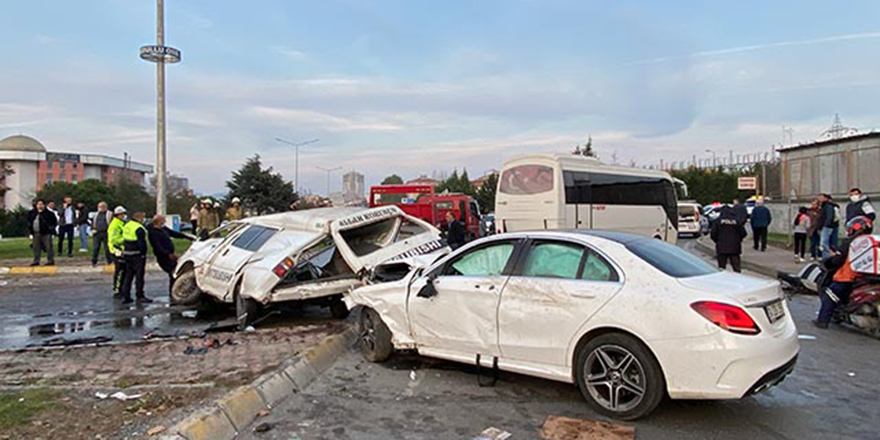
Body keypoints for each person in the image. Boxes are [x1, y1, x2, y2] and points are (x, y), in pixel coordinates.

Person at [814, 216, 873, 329]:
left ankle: (822, 321)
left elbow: (837, 260)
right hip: (866, 278)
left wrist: (829, 262)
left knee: (830, 296)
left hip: (847, 278)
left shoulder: (850, 242)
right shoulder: (872, 242)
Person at [148, 215, 193, 294]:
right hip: (164, 257)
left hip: (169, 254)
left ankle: (174, 291)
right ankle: (174, 292)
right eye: (163, 219)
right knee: (173, 272)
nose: (165, 220)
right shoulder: (153, 232)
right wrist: (168, 254)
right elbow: (157, 247)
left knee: (175, 272)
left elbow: (174, 234)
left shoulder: (163, 229)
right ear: (159, 221)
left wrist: (187, 236)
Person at [120, 211, 149, 304]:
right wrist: (143, 253)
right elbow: (142, 243)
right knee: (139, 276)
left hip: (127, 253)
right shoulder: (139, 228)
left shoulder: (127, 225)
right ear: (139, 218)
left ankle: (126, 296)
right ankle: (140, 295)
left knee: (128, 276)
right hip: (137, 254)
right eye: (143, 217)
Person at [710, 205, 747, 273]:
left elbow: (713, 234)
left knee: (721, 268)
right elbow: (743, 233)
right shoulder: (736, 221)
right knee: (736, 267)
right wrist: (738, 240)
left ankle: (723, 280)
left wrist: (717, 241)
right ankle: (738, 279)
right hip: (735, 247)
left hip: (722, 247)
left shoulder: (718, 221)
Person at [26, 199, 57, 266]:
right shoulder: (32, 213)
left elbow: (54, 222)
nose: (40, 206)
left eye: (41, 204)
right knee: (36, 247)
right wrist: (30, 231)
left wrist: (50, 229)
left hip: (46, 233)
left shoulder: (49, 213)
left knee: (48, 247)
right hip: (35, 232)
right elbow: (28, 222)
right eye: (38, 204)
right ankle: (36, 260)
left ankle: (50, 260)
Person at [108, 206, 128, 296]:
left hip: (121, 249)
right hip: (116, 250)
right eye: (122, 214)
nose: (123, 216)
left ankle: (121, 288)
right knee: (119, 270)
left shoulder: (121, 223)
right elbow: (114, 239)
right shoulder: (115, 225)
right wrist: (126, 239)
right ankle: (117, 289)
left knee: (123, 270)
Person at [817, 193, 841, 259]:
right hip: (832, 225)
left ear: (825, 198)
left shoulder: (827, 206)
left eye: (821, 197)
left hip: (827, 226)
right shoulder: (828, 205)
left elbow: (829, 216)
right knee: (832, 241)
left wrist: (825, 225)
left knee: (824, 242)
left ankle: (826, 257)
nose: (819, 199)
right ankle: (833, 255)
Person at [91, 202, 113, 266]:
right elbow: (93, 223)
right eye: (100, 207)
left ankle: (109, 261)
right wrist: (93, 229)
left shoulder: (110, 214)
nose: (101, 208)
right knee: (96, 247)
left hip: (106, 233)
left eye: (103, 206)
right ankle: (94, 261)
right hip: (97, 233)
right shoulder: (95, 215)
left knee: (107, 248)